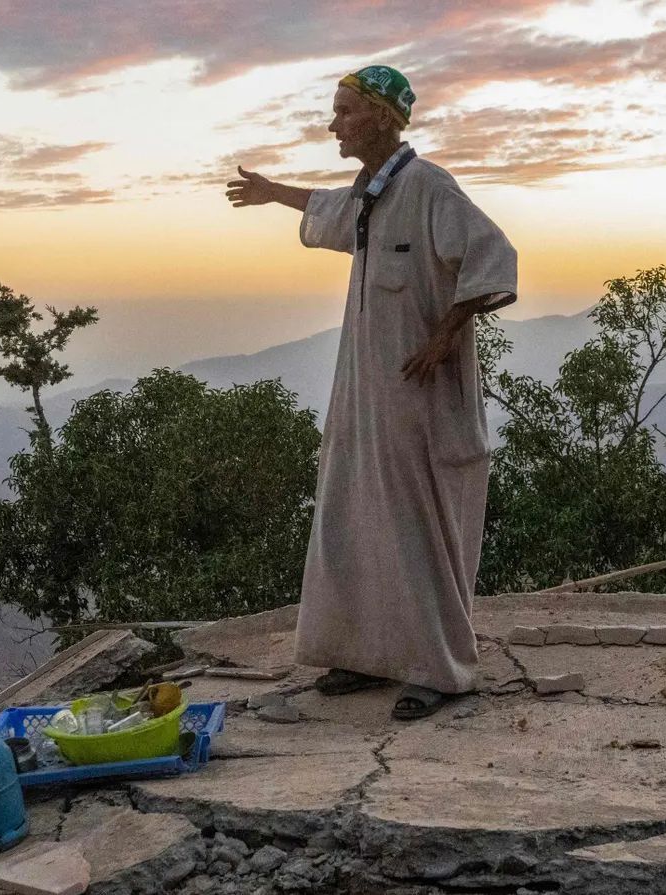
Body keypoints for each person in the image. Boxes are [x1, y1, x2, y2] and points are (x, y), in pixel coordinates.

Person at [225, 65, 517, 720]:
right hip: (363, 388)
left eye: (345, 111)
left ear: (382, 116)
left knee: (416, 526)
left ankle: (440, 670)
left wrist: (445, 334)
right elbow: (334, 207)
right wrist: (274, 192)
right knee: (355, 514)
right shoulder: (376, 190)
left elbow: (493, 256)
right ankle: (363, 654)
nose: (334, 123)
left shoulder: (429, 187)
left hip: (417, 395)